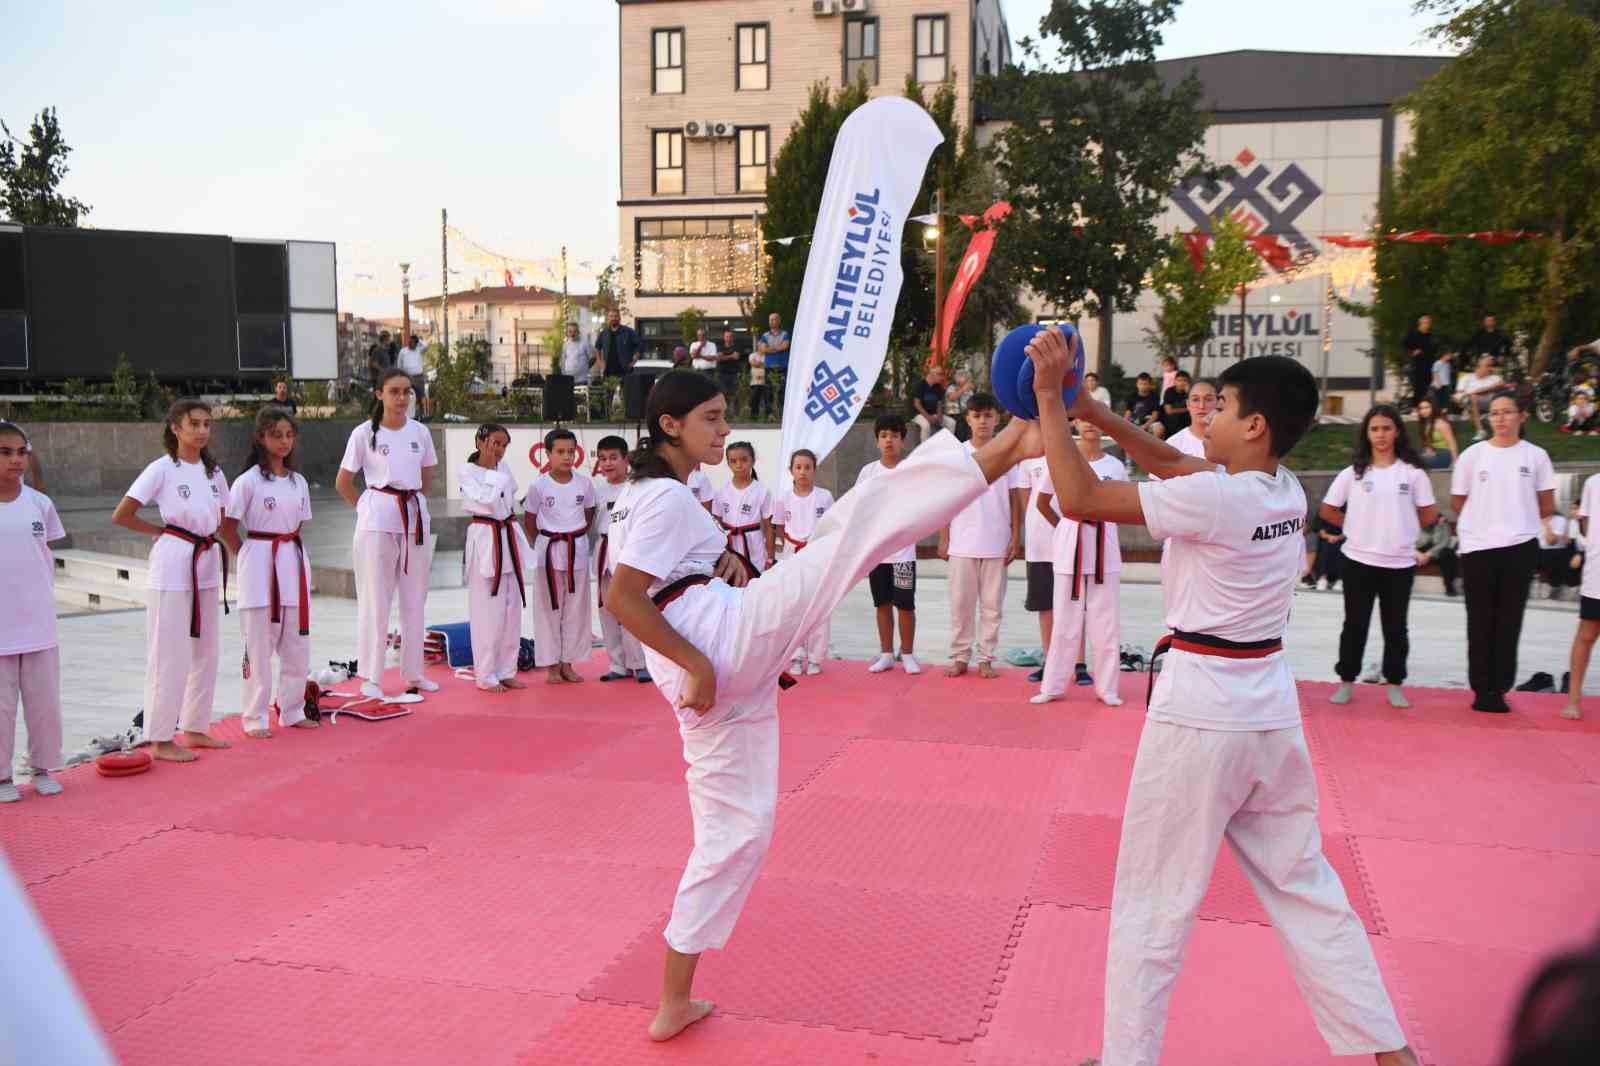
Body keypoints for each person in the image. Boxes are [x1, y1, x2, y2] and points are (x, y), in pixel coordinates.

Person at [601, 369, 1043, 1042]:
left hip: (717, 662)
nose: (725, 430)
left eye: (725, 418)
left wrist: (719, 649)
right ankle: (1008, 446)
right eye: (713, 419)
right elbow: (622, 599)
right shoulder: (661, 495)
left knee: (735, 834)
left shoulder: (647, 492)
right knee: (855, 532)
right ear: (671, 425)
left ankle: (673, 1000)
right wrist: (700, 662)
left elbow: (670, 580)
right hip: (717, 647)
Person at [1023, 328, 1420, 1066]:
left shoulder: (1220, 501)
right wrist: (1094, 412)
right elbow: (1173, 460)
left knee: (1152, 901)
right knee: (1307, 888)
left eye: (1223, 406)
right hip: (1268, 712)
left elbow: (1078, 497)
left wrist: (1049, 399)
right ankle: (1389, 1050)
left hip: (1200, 717)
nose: (1208, 417)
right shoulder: (1282, 491)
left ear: (1256, 425)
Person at [111, 400, 232, 761]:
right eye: (193, 424)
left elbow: (222, 517)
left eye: (207, 424)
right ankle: (161, 737)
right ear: (175, 428)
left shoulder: (214, 473)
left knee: (206, 649)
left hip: (206, 560)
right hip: (174, 561)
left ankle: (195, 727)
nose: (201, 431)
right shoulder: (162, 469)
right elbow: (123, 514)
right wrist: (160, 532)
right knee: (168, 652)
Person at [1321, 406, 1439, 709]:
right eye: (1374, 429)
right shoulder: (1354, 473)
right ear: (1367, 434)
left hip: (1399, 563)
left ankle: (1395, 682)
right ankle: (1347, 680)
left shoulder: (1412, 474)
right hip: (1358, 560)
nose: (1381, 435)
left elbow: (1429, 514)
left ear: (1397, 431)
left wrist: (1403, 529)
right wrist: (1355, 528)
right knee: (1354, 624)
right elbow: (1328, 510)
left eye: (1386, 428)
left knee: (1396, 627)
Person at [335, 368, 438, 701]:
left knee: (414, 600)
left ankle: (414, 671)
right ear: (379, 394)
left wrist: (411, 505)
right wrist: (366, 507)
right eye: (394, 391)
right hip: (377, 518)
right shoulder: (364, 433)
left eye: (407, 391)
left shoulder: (420, 432)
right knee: (375, 600)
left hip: (414, 517)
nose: (402, 398)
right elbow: (343, 482)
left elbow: (425, 478)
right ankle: (371, 674)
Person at [1452, 392, 1557, 713]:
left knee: (1509, 620)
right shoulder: (1473, 455)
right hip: (1478, 548)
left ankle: (1499, 688)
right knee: (1480, 621)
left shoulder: (1536, 456)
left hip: (1520, 547)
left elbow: (1546, 504)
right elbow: (1458, 501)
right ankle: (1481, 689)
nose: (1500, 419)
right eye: (1494, 413)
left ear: (1522, 416)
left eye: (1507, 412)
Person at [219, 407, 317, 737]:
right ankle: (254, 717)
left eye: (289, 434)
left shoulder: (298, 482)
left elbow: (297, 523)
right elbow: (228, 526)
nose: (284, 441)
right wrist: (247, 553)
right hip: (260, 565)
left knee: (296, 647)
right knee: (258, 648)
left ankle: (291, 710)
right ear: (261, 438)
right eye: (276, 434)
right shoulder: (247, 482)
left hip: (292, 562)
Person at [1033, 418, 1127, 706]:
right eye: (1084, 420)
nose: (1090, 426)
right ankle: (1053, 686)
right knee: (1065, 621)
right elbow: (1042, 503)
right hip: (1070, 546)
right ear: (1074, 424)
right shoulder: (1060, 460)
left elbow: (1124, 504)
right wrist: (1064, 526)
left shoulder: (1115, 466)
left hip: (1104, 546)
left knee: (1105, 622)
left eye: (1095, 420)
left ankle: (1107, 688)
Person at [0, 422, 66, 802]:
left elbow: (46, 555)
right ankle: (2, 776)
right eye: (5, 452)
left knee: (44, 703)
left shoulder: (40, 504)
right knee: (1, 707)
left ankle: (42, 766)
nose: (15, 460)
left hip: (38, 622)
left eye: (21, 452)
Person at [939, 393, 1025, 679]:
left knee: (992, 606)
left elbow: (1015, 498)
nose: (983, 422)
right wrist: (944, 536)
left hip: (997, 540)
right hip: (962, 541)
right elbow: (947, 498)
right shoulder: (958, 455)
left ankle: (986, 657)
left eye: (988, 416)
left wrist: (1015, 537)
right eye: (977, 416)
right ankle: (960, 656)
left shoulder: (1007, 454)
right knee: (961, 605)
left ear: (996, 419)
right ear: (968, 420)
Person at [458, 423, 531, 694]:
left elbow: (510, 498)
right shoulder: (467, 470)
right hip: (485, 537)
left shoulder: (504, 469)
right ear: (480, 441)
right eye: (495, 443)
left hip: (507, 535)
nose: (499, 450)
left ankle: (506, 670)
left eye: (503, 445)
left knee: (511, 609)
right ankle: (486, 675)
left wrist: (497, 472)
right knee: (487, 611)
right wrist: (493, 472)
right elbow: (486, 501)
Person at [525, 428, 596, 685]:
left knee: (576, 610)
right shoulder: (538, 485)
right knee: (547, 609)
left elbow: (589, 513)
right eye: (560, 452)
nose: (567, 457)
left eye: (571, 452)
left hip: (575, 548)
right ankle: (551, 666)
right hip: (549, 550)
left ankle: (568, 663)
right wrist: (541, 544)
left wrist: (576, 535)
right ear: (548, 454)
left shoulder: (584, 483)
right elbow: (530, 521)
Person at [858, 415, 921, 676]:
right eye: (884, 435)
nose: (888, 441)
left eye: (894, 436)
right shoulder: (868, 472)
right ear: (877, 441)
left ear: (902, 441)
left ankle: (907, 653)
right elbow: (858, 508)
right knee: (881, 603)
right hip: (877, 551)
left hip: (903, 551)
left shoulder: (912, 470)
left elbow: (921, 506)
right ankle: (886, 654)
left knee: (905, 604)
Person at [772, 449, 835, 675]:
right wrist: (791, 543)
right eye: (798, 467)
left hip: (818, 554)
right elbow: (779, 526)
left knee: (819, 604)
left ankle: (817, 656)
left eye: (807, 467)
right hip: (792, 553)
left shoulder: (824, 497)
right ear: (791, 471)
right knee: (794, 606)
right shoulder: (784, 498)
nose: (803, 472)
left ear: (814, 470)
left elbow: (832, 526)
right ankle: (796, 656)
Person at [592, 435, 648, 684]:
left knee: (633, 606)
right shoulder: (597, 491)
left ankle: (640, 663)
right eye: (603, 458)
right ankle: (617, 663)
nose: (608, 463)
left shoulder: (637, 486)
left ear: (626, 459)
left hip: (630, 549)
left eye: (614, 457)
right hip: (605, 548)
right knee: (608, 608)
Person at [1564, 474, 1600, 720]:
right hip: (1597, 572)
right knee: (1586, 635)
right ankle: (1573, 699)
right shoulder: (1593, 484)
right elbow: (1585, 525)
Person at [712, 442, 774, 572]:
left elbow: (768, 527)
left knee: (756, 579)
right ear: (728, 463)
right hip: (730, 545)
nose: (739, 465)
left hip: (753, 544)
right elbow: (716, 523)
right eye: (733, 461)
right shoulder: (721, 491)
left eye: (744, 460)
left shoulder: (761, 491)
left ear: (752, 461)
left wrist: (771, 557)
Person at [1021, 454, 1056, 683]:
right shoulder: (1027, 462)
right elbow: (1028, 505)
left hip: (1070, 543)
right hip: (1039, 545)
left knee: (1076, 607)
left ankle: (1078, 663)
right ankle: (1050, 661)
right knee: (1046, 606)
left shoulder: (1073, 454)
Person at [1536, 499, 1581, 599]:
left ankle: (1553, 584)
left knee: (1553, 556)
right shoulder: (1572, 523)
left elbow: (1551, 541)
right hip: (1540, 550)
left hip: (1559, 551)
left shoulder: (1561, 520)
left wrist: (1546, 524)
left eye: (1576, 509)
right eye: (1573, 509)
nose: (1573, 511)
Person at [1455, 354, 1505, 441]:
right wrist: (1469, 395)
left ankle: (1482, 418)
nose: (1490, 368)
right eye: (1487, 366)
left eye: (1491, 366)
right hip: (1470, 401)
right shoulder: (1467, 378)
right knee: (1472, 398)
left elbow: (1501, 384)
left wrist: (1481, 391)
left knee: (1474, 397)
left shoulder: (1494, 377)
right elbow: (1459, 394)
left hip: (1491, 401)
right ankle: (1481, 430)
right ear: (1478, 367)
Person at [1164, 378, 1217, 458]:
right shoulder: (1173, 445)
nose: (1201, 406)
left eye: (1208, 400)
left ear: (1219, 403)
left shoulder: (1233, 443)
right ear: (1188, 404)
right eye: (1195, 400)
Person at [1416, 508, 1459, 597]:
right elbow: (1414, 543)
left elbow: (1444, 542)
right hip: (1418, 552)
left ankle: (1449, 587)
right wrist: (1419, 554)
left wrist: (1429, 554)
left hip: (1436, 552)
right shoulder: (1414, 524)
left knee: (1448, 553)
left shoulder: (1443, 524)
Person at [596, 308, 643, 379]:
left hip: (624, 371)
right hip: (608, 371)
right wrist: (599, 362)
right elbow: (597, 347)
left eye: (615, 316)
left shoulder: (628, 332)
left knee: (625, 390)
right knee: (608, 390)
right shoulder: (604, 333)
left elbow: (639, 345)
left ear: (619, 318)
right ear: (608, 318)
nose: (613, 318)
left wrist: (634, 361)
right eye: (611, 316)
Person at [1413, 396, 1458, 469]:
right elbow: (1427, 443)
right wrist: (1428, 450)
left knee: (1418, 461)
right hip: (1433, 452)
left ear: (1433, 408)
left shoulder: (1441, 423)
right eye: (1421, 408)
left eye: (1427, 408)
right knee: (1410, 456)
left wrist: (1455, 461)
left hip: (1444, 454)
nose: (1423, 411)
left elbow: (1452, 443)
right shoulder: (1425, 424)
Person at [913, 363, 955, 439]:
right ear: (931, 374)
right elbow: (917, 404)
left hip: (934, 414)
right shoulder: (920, 385)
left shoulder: (938, 387)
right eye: (940, 374)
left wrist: (939, 416)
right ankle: (925, 449)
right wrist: (928, 416)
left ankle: (947, 446)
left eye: (942, 374)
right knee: (926, 426)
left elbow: (939, 403)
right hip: (920, 415)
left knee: (952, 422)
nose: (942, 377)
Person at [1403, 314, 1436, 407]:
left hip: (1430, 365)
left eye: (1428, 323)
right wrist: (1412, 352)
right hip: (1418, 365)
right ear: (1420, 324)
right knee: (1418, 388)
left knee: (1429, 388)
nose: (1427, 325)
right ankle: (1417, 407)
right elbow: (1404, 346)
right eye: (1425, 323)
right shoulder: (1413, 335)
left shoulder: (1430, 336)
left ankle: (1429, 407)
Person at [1152, 370, 1191, 439]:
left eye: (1184, 381)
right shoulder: (1170, 391)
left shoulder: (1191, 392)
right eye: (1179, 380)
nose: (1182, 383)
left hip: (1183, 421)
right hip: (1166, 420)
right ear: (1175, 381)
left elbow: (1194, 408)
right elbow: (1169, 411)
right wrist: (1187, 409)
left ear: (1188, 382)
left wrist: (1189, 393)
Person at [560, 321, 599, 386]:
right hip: (568, 380)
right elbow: (563, 361)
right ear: (567, 333)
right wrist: (563, 375)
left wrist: (585, 367)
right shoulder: (565, 345)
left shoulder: (585, 343)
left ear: (578, 332)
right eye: (570, 331)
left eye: (575, 331)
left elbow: (593, 358)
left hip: (582, 380)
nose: (572, 334)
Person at [715, 329, 743, 417]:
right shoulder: (720, 347)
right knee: (723, 395)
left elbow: (736, 357)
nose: (729, 338)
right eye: (727, 336)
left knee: (736, 395)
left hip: (734, 374)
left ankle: (736, 415)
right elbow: (719, 358)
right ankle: (724, 415)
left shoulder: (737, 346)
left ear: (733, 337)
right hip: (722, 374)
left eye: (730, 336)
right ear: (724, 337)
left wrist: (724, 356)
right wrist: (731, 356)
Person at [397, 334, 427, 417]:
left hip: (418, 377)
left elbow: (426, 345)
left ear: (416, 343)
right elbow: (399, 365)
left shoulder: (419, 350)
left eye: (412, 342)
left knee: (421, 395)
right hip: (407, 377)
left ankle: (422, 414)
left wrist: (418, 339)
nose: (410, 343)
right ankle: (407, 414)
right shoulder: (403, 351)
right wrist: (400, 376)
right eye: (409, 341)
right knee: (408, 395)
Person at [747, 346, 771, 420]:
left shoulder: (768, 356)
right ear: (759, 347)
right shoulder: (752, 355)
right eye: (764, 347)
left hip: (765, 380)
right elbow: (754, 364)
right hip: (755, 380)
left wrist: (759, 363)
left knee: (767, 399)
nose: (766, 348)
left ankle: (767, 416)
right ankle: (753, 416)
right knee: (755, 398)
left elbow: (768, 366)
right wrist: (762, 364)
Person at [1429, 348, 1455, 412]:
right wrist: (1438, 383)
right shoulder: (1437, 363)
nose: (1450, 357)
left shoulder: (1448, 364)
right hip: (1438, 385)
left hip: (1446, 385)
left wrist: (1449, 384)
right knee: (1437, 402)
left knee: (1445, 403)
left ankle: (1443, 415)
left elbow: (1447, 375)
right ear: (1444, 355)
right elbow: (1435, 373)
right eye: (1449, 355)